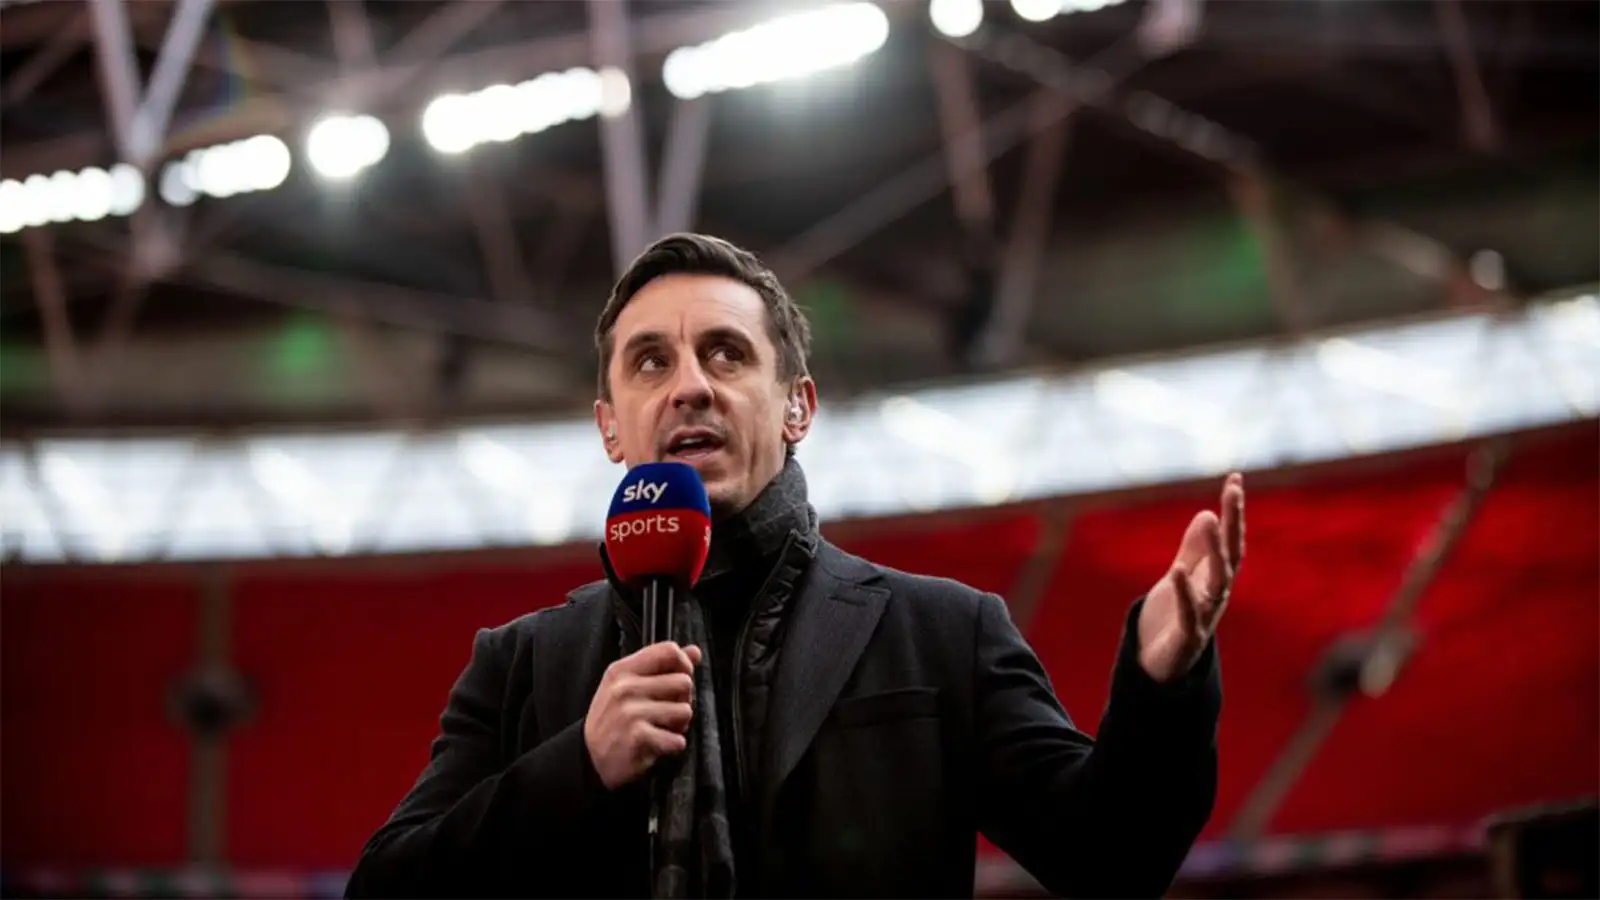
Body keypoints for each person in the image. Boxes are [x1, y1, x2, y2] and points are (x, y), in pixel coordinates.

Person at [346, 233, 1245, 899]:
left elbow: (1112, 859)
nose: (689, 384)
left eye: (726, 354)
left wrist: (1163, 681)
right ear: (610, 425)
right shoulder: (522, 667)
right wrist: (576, 766)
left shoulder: (940, 635)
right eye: (650, 361)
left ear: (796, 407)